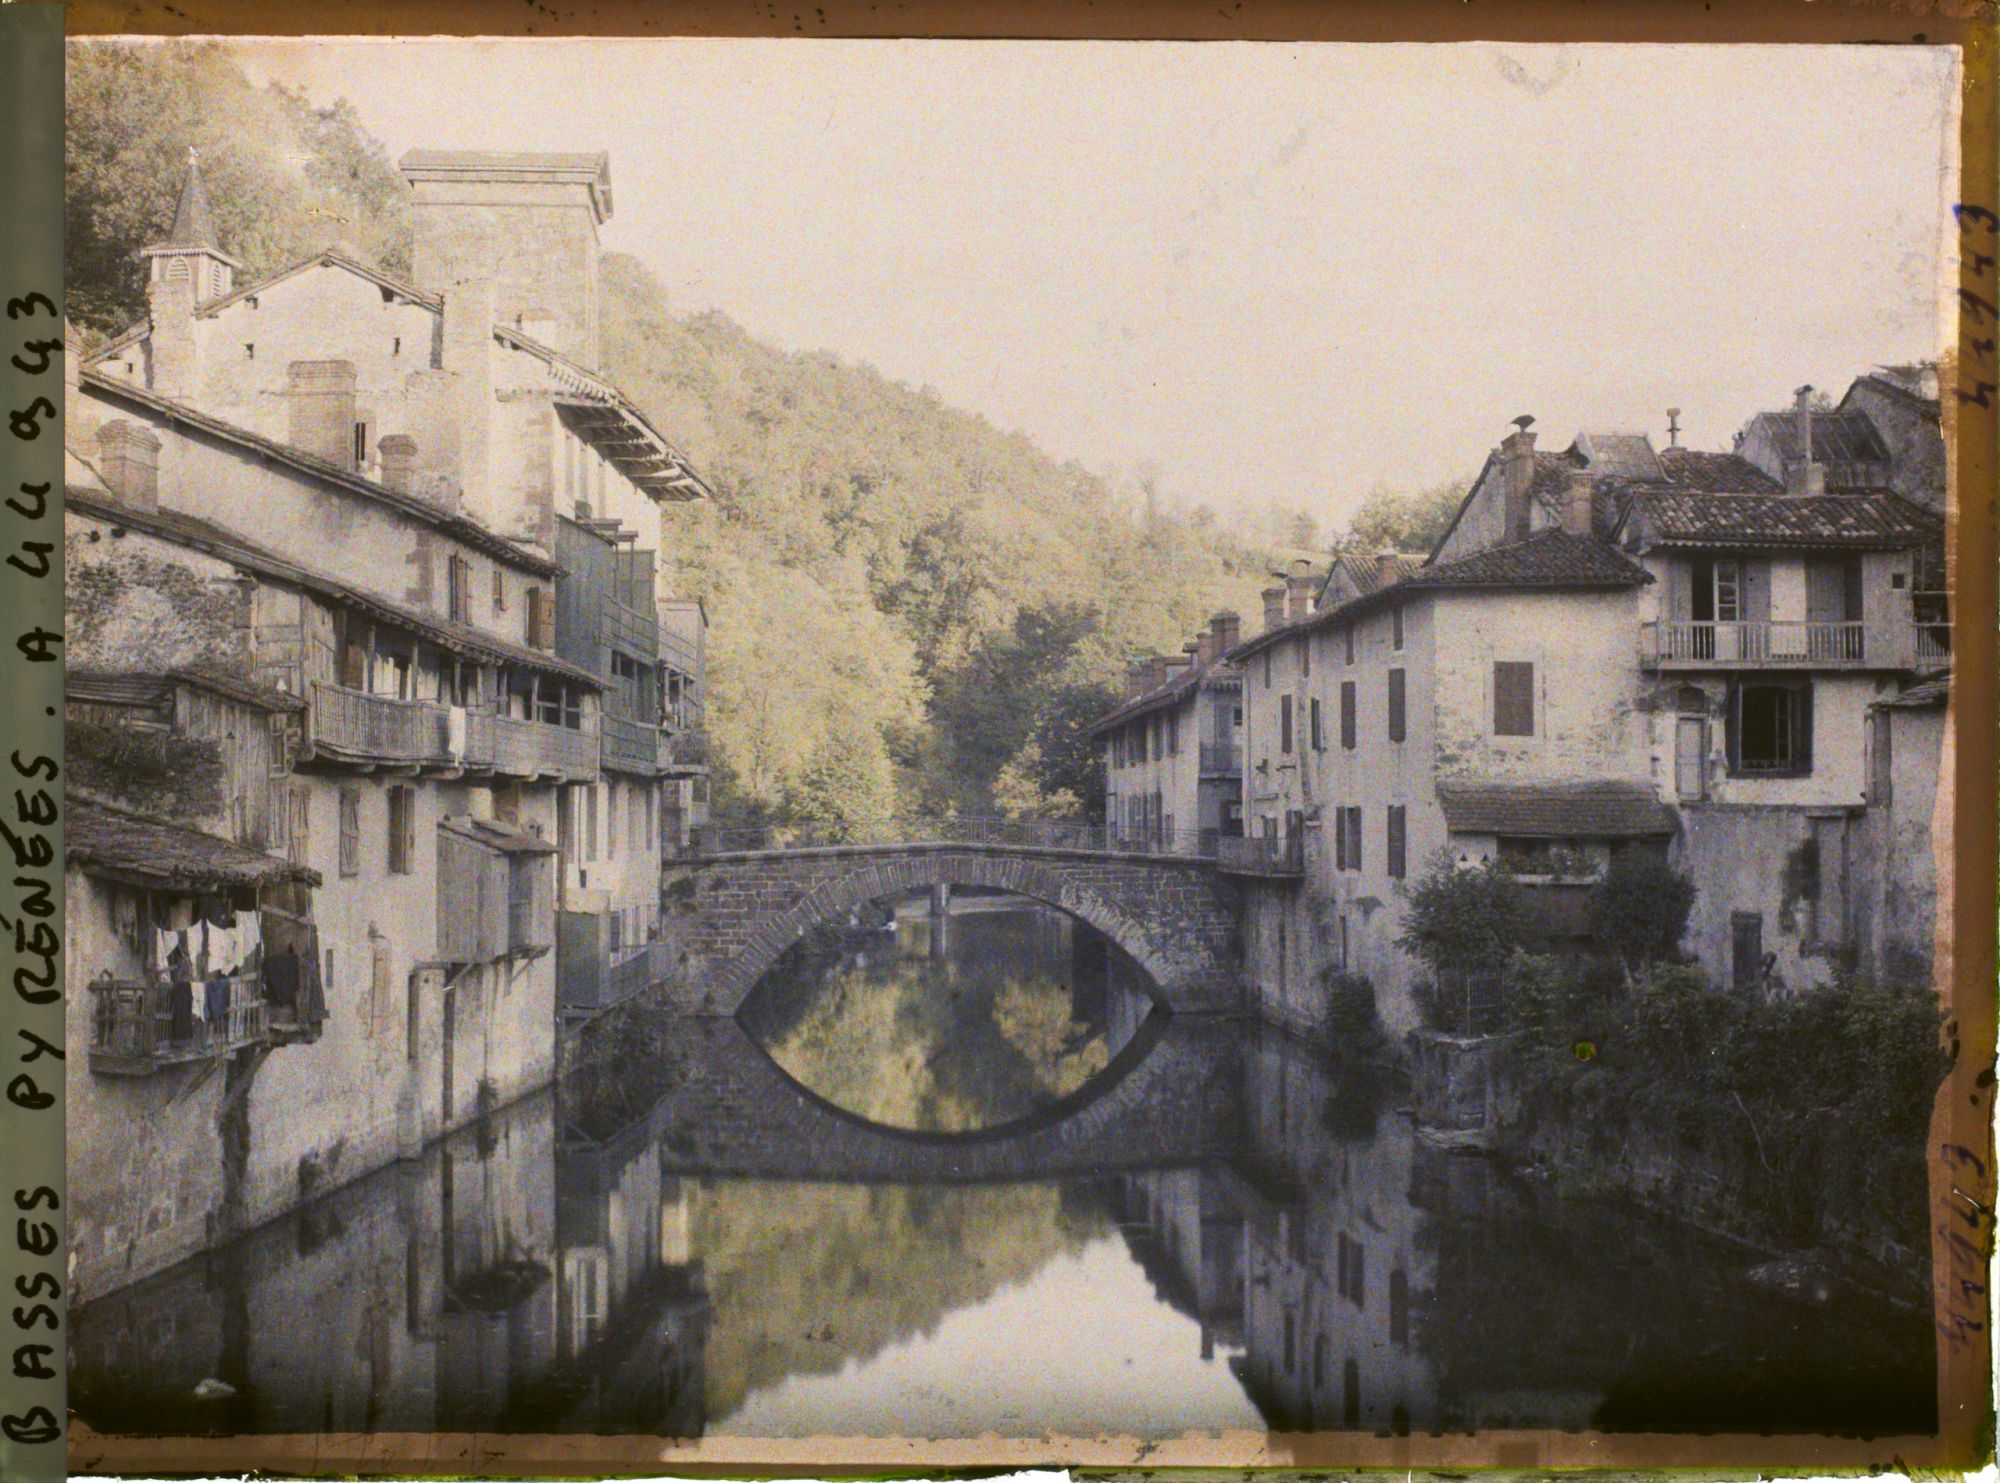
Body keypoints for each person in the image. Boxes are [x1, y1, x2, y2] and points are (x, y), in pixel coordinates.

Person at [166, 938, 194, 1044]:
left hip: (183, 987)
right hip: (184, 988)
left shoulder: (185, 961)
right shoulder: (185, 961)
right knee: (182, 1015)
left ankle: (181, 1040)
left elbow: (177, 970)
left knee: (181, 1014)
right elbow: (175, 968)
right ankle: (183, 1039)